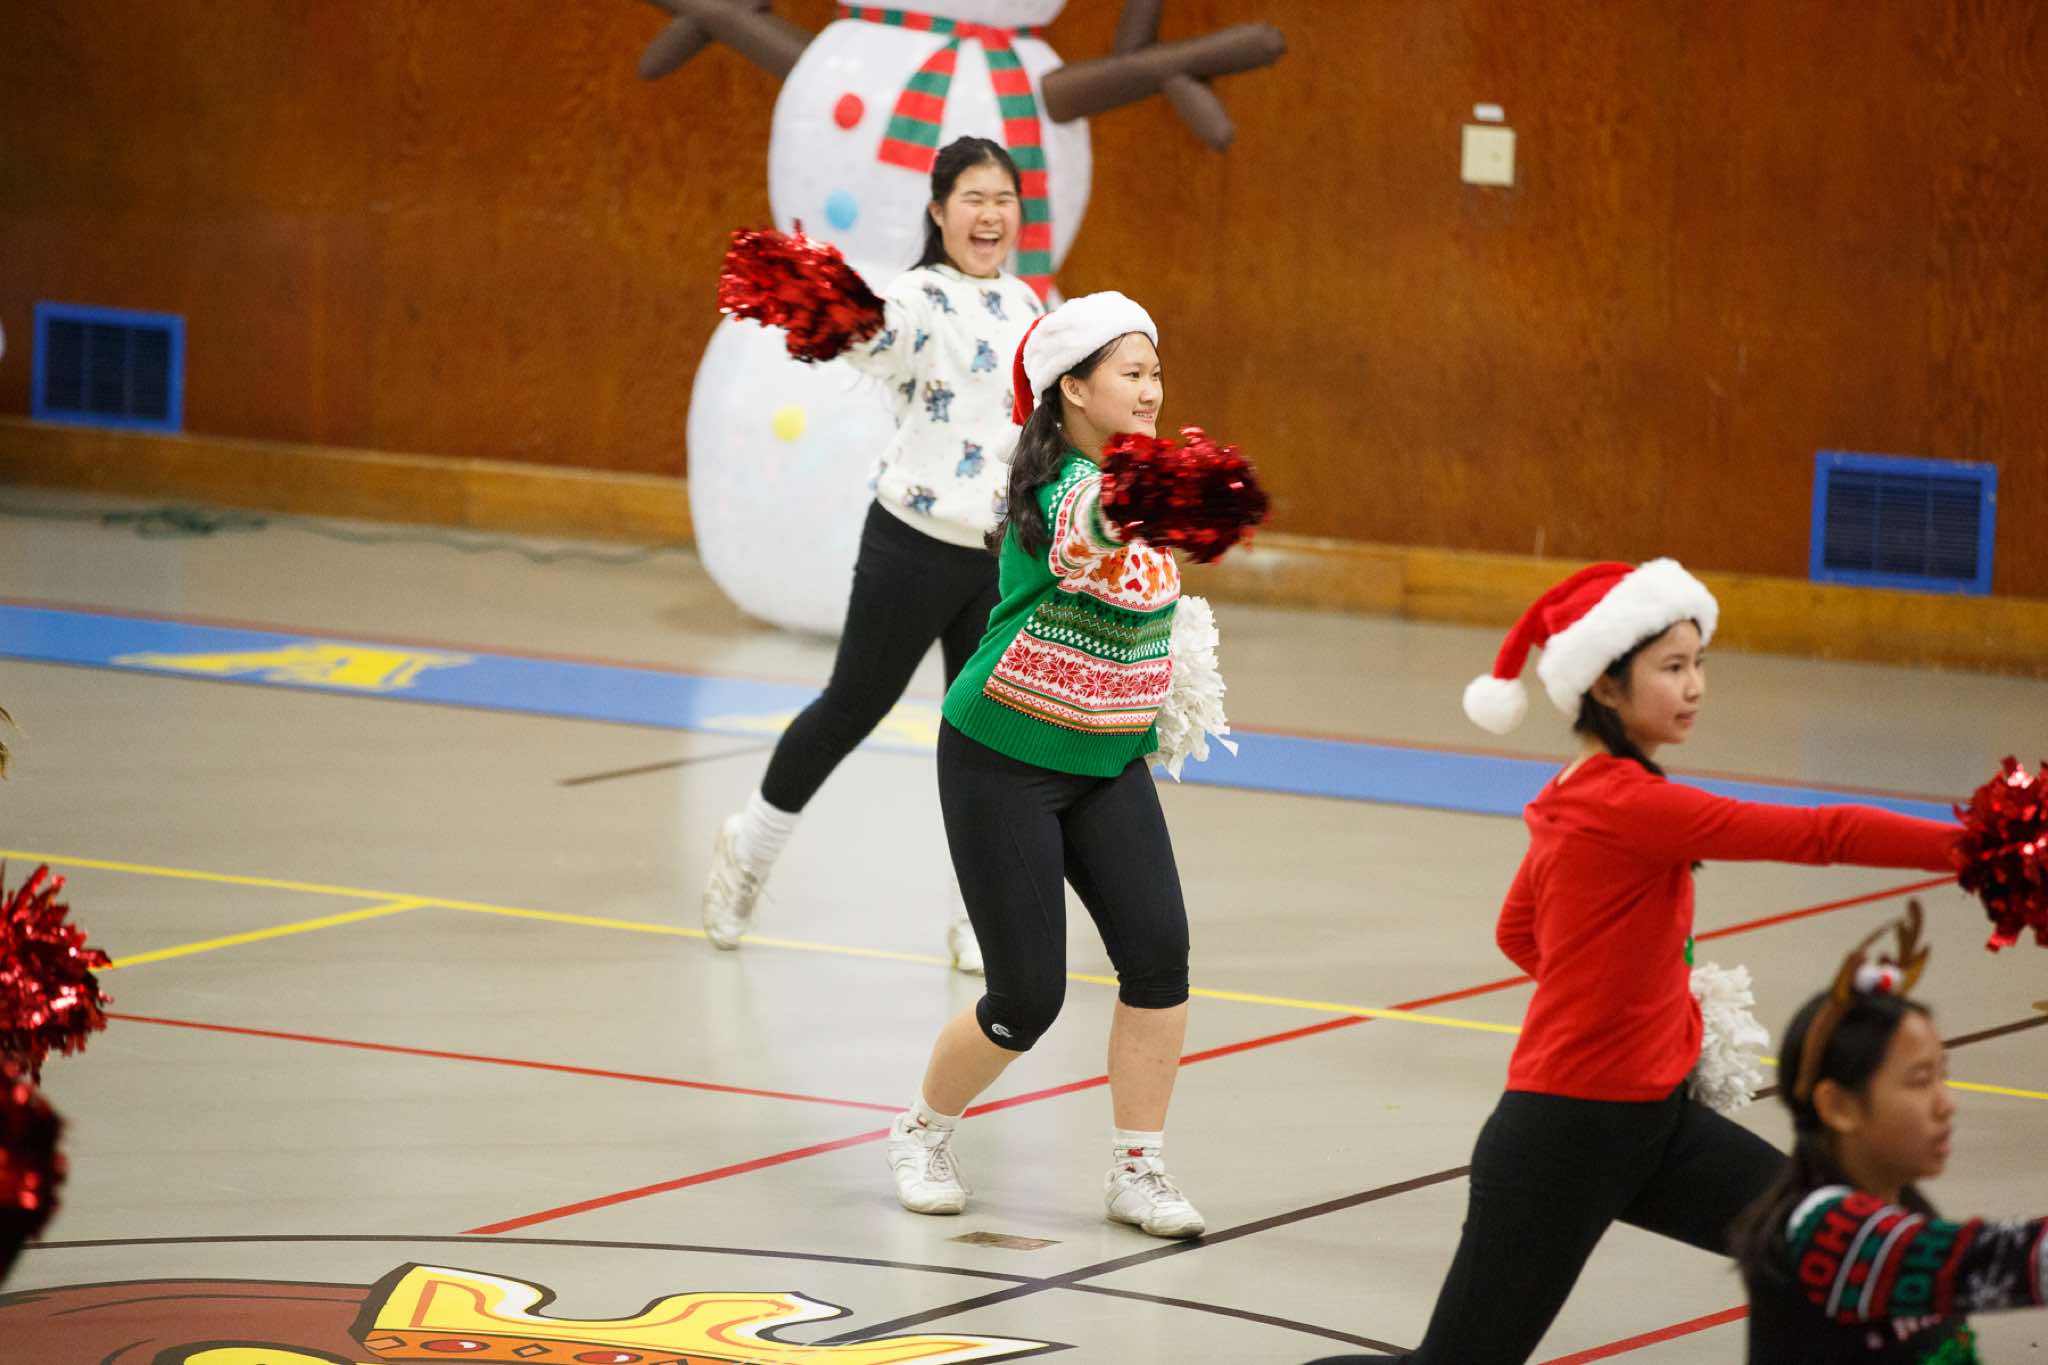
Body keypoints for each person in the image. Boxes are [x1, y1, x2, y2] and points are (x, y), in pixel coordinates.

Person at [1310, 558, 1961, 1364]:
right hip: (1562, 1140)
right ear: (1605, 686)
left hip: (1658, 1128)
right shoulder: (1632, 802)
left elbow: (1518, 930)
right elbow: (1820, 834)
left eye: (1699, 663)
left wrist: (1635, 1001)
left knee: (1856, 1241)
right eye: (1672, 667)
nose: (1695, 686)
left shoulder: (1576, 787)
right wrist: (1975, 846)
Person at [884, 290, 1209, 1239]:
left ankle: (1138, 1169)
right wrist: (1150, 492)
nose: (1151, 390)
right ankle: (920, 1131)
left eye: (1156, 372)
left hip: (1106, 757)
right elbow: (1086, 535)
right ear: (1073, 386)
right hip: (1002, 757)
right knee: (1027, 997)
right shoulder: (1062, 491)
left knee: (1160, 956)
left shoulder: (1132, 477)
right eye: (1131, 373)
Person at [702, 136, 1045, 972]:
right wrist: (833, 309)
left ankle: (978, 915)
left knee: (989, 740)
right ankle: (748, 848)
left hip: (995, 558)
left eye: (1003, 198)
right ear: (938, 212)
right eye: (972, 198)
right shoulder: (916, 298)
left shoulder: (1027, 302)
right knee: (850, 709)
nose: (990, 214)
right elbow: (880, 338)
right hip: (912, 548)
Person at [1734, 903, 2046, 1363]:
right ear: (1839, 1106)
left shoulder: (1901, 1204)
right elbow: (2009, 1262)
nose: (1946, 1103)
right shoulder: (1826, 1233)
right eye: (1920, 1081)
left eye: (1942, 1076)